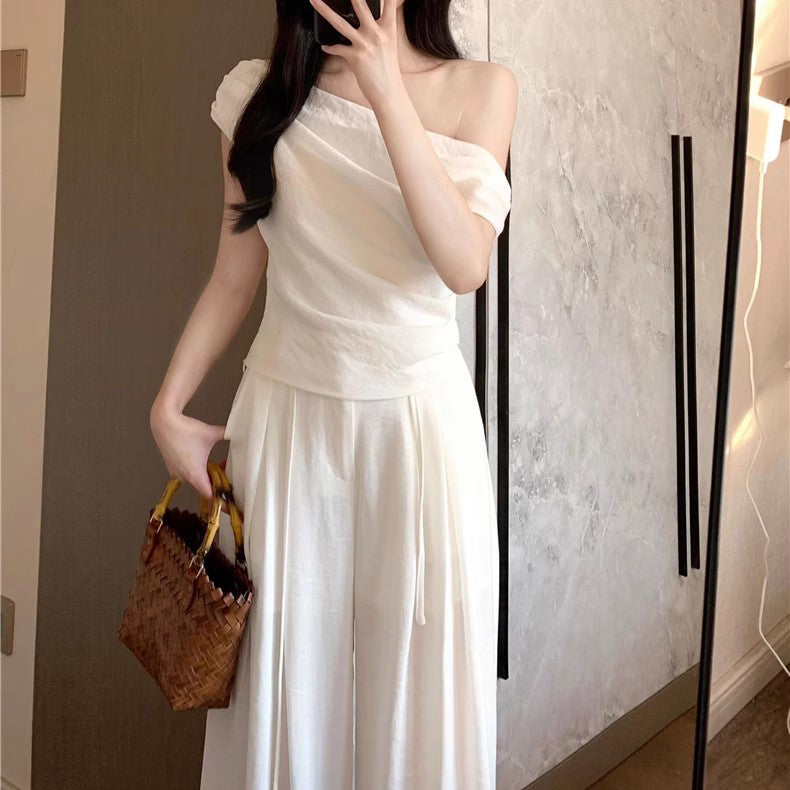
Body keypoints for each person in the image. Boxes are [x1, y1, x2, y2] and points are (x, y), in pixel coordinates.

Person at [149, 0, 517, 787]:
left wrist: (387, 93)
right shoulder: (258, 96)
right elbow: (234, 276)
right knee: (288, 684)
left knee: (416, 686)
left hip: (419, 437)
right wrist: (168, 407)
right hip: (289, 428)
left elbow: (464, 265)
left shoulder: (482, 89)